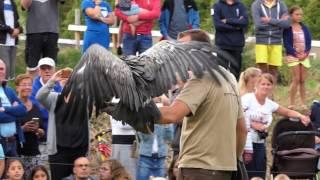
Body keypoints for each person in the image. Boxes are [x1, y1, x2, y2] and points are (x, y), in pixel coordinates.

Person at [158, 29, 248, 180]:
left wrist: (133, 111)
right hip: (223, 170)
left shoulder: (201, 78)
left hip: (198, 169)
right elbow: (242, 129)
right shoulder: (229, 77)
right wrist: (234, 161)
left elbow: (172, 115)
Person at [241, 73, 310, 179]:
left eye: (268, 84)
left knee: (259, 174)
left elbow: (286, 112)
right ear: (257, 85)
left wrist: (301, 116)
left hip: (259, 143)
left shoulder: (270, 104)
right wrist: (252, 125)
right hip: (244, 143)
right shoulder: (247, 99)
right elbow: (240, 117)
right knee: (244, 174)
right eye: (263, 84)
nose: (265, 86)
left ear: (272, 87)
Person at [36, 70, 89, 180]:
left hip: (79, 150)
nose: (67, 80)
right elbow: (39, 96)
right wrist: (52, 80)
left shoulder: (83, 98)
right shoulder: (54, 98)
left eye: (70, 78)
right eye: (64, 78)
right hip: (59, 151)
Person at [20, 0, 62, 76]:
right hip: (33, 32)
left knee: (51, 65)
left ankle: (50, 87)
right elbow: (24, 6)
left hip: (51, 31)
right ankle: (31, 87)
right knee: (32, 66)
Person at [251, 0, 291, 81]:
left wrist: (269, 20)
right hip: (261, 41)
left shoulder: (281, 4)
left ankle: (271, 92)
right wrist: (279, 22)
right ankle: (262, 92)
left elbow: (286, 24)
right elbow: (258, 24)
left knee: (274, 70)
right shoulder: (256, 4)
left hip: (276, 41)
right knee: (262, 70)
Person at [15, 74, 45, 178]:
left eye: (29, 85)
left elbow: (42, 131)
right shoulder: (12, 105)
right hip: (16, 153)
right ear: (17, 87)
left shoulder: (35, 106)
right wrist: (22, 129)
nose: (27, 87)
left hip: (34, 152)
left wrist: (38, 130)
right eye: (24, 84)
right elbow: (6, 130)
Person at [283, 6, 312, 110]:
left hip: (304, 56)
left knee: (303, 80)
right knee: (296, 79)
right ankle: (292, 103)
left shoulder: (305, 28)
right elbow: (287, 44)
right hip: (293, 56)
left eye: (301, 14)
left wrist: (305, 54)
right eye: (297, 14)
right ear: (291, 15)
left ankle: (304, 103)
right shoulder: (287, 28)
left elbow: (309, 42)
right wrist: (296, 54)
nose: (299, 16)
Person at [212, 0, 249, 79]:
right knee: (221, 73)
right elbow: (218, 25)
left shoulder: (241, 5)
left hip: (237, 44)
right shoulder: (217, 5)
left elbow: (245, 22)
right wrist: (236, 26)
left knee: (235, 74)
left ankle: (234, 90)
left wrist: (227, 20)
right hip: (222, 45)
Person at [0, 59, 27, 157]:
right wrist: (15, 112)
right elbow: (1, 117)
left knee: (16, 171)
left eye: (2, 69)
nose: (0, 72)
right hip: (0, 143)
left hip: (12, 142)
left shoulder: (9, 90)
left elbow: (23, 111)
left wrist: (6, 109)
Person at [0, 0, 22, 80]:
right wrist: (11, 30)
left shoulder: (13, 3)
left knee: (12, 70)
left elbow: (17, 21)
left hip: (13, 42)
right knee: (5, 68)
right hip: (2, 42)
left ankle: (9, 89)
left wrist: (19, 29)